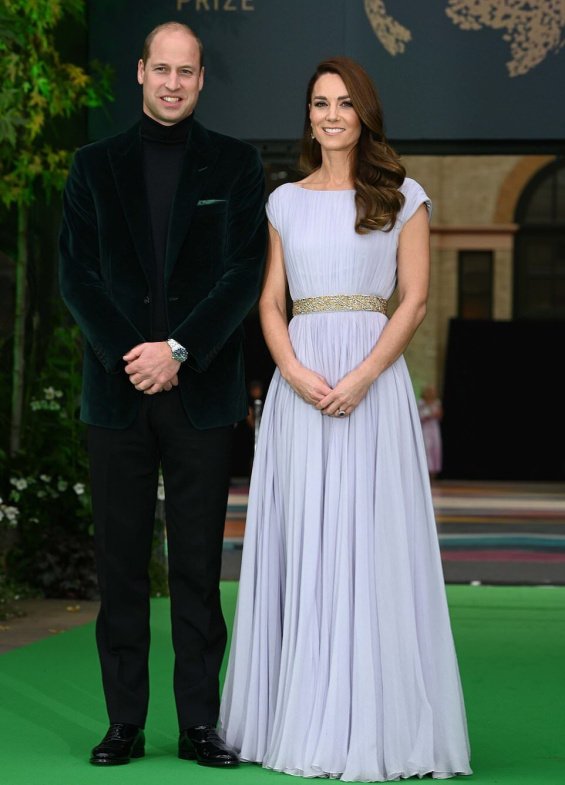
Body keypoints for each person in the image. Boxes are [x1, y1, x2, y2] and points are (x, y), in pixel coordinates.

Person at [219, 57, 472, 780]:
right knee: (305, 543)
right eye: (318, 103)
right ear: (307, 115)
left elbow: (414, 301)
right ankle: (298, 715)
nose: (330, 115)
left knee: (370, 542)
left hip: (372, 383)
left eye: (343, 103)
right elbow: (270, 301)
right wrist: (293, 374)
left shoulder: (403, 196)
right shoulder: (282, 202)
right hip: (300, 390)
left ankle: (377, 722)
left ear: (364, 113)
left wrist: (361, 377)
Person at [59, 22, 266, 768]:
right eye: (162, 69)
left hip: (200, 393)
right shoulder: (92, 166)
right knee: (118, 565)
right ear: (140, 71)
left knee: (196, 567)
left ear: (202, 79)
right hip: (117, 396)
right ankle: (124, 723)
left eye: (188, 72)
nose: (173, 83)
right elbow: (76, 276)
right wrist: (136, 356)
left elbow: (242, 272)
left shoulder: (237, 166)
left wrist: (178, 349)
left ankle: (199, 724)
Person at [418, 383, 444, 481]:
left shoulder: (437, 402)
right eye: (429, 391)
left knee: (435, 449)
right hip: (425, 429)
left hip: (434, 429)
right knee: (426, 449)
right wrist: (427, 415)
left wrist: (434, 414)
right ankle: (424, 475)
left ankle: (433, 475)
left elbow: (440, 415)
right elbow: (419, 416)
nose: (431, 393)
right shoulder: (421, 403)